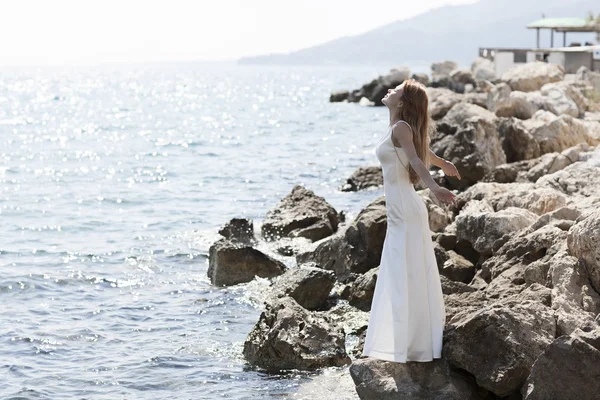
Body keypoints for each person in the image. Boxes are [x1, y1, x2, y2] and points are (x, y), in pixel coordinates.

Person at [361, 79, 461, 363]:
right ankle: (408, 339)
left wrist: (435, 186)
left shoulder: (400, 128)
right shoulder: (399, 128)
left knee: (407, 271)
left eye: (397, 92)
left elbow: (416, 161)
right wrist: (442, 164)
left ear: (402, 103)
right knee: (404, 270)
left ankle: (412, 343)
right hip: (399, 211)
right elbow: (418, 152)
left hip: (405, 209)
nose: (390, 91)